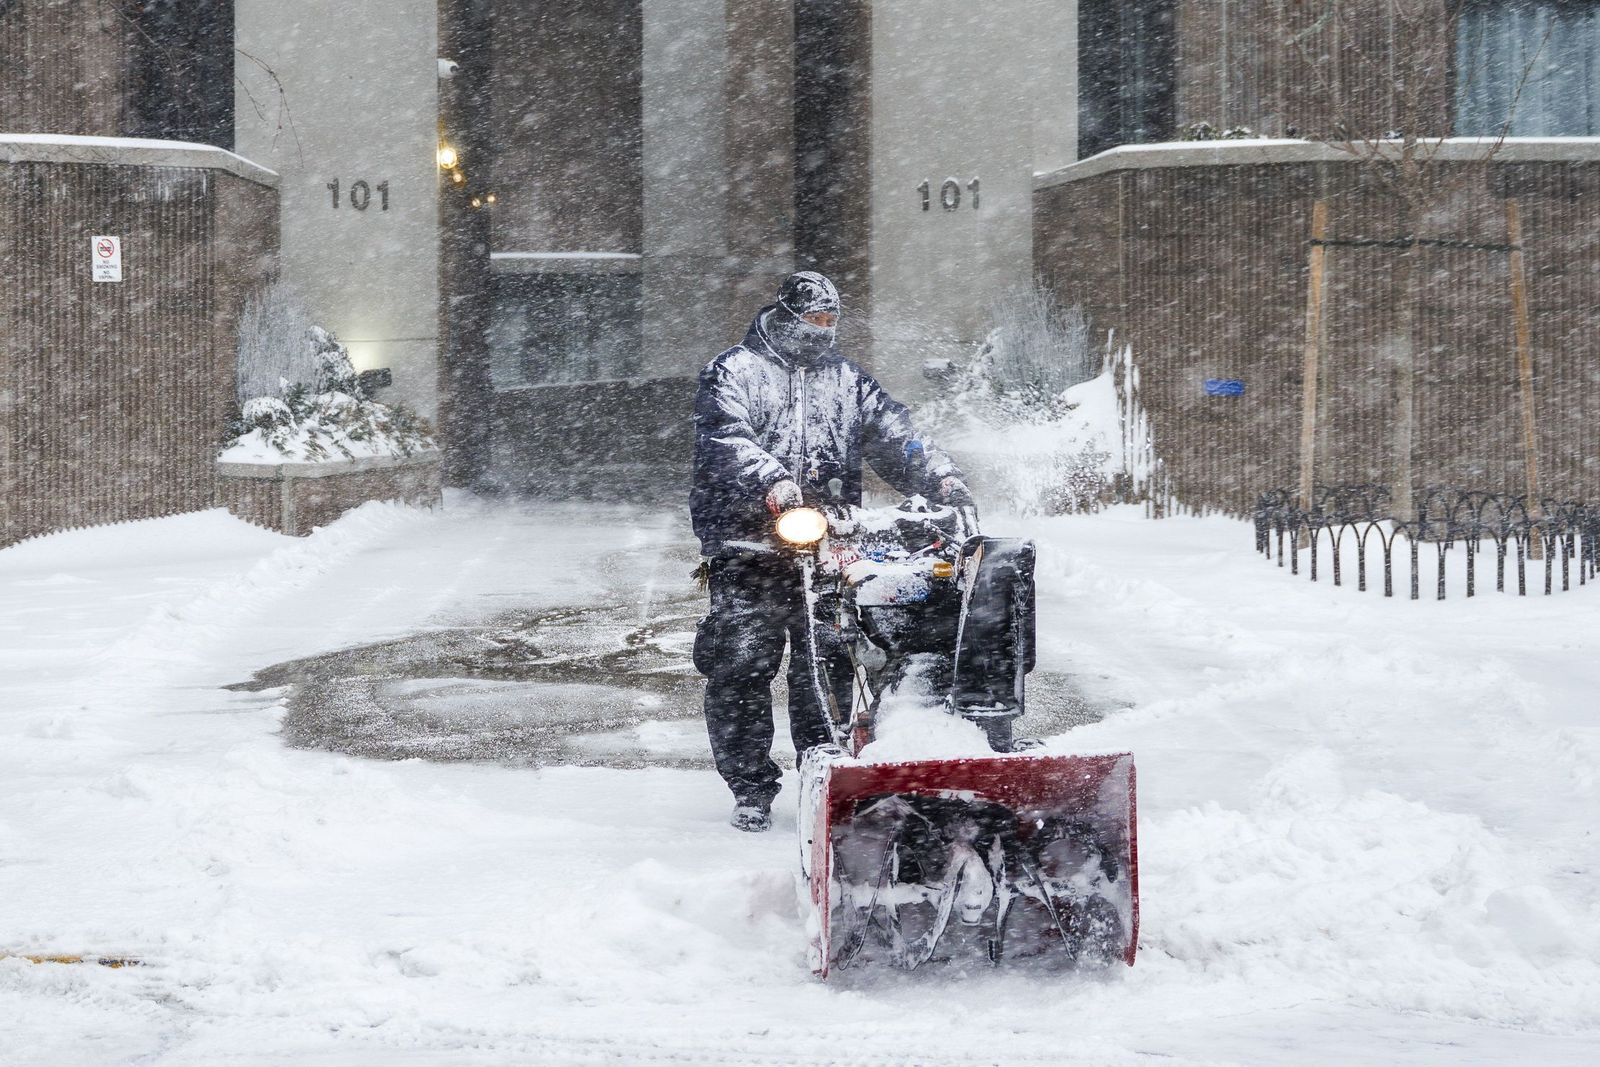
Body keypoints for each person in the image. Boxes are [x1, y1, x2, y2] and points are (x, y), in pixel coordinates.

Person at [690, 271, 968, 832]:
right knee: (741, 665)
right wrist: (773, 484)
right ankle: (750, 786)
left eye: (830, 322)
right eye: (812, 321)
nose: (822, 332)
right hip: (749, 546)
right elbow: (726, 438)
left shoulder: (846, 382)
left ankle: (828, 771)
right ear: (786, 317)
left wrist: (941, 479)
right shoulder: (734, 372)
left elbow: (896, 434)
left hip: (829, 547)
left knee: (828, 663)